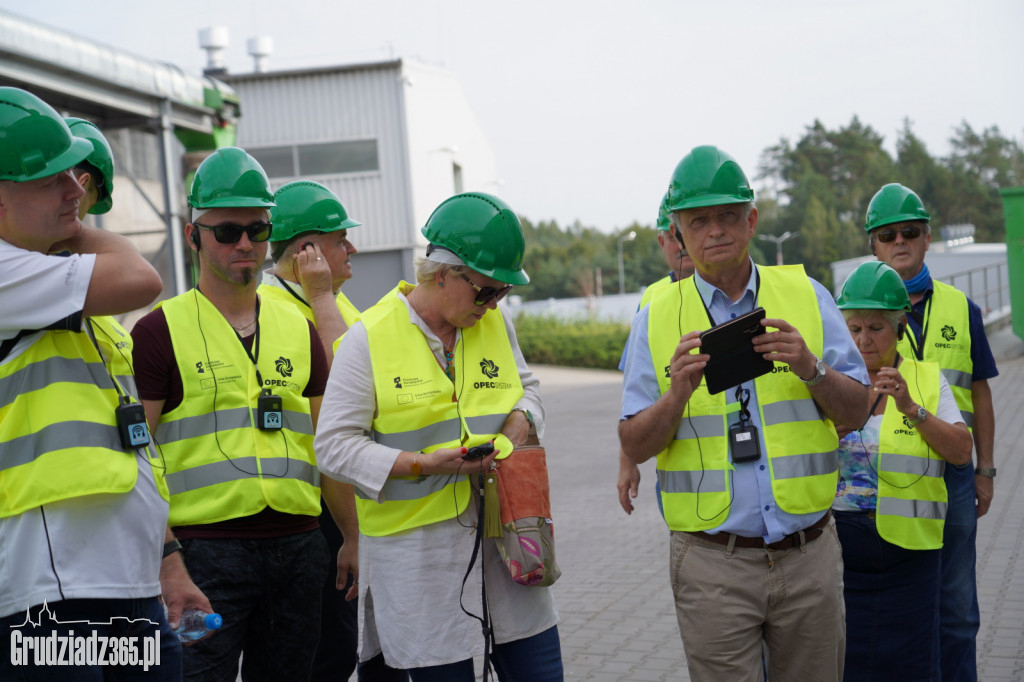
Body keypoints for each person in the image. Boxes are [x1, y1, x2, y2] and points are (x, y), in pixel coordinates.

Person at [619, 145, 870, 680]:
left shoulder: (806, 294)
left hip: (809, 554)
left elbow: (859, 408)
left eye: (728, 216)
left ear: (752, 220)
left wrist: (811, 368)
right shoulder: (655, 317)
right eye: (699, 220)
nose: (715, 231)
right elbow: (634, 444)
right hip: (713, 565)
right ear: (677, 233)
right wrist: (675, 396)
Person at [313, 192, 562, 681]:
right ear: (442, 273)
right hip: (416, 553)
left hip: (505, 533)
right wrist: (424, 464)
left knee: (540, 669)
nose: (494, 304)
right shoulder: (369, 338)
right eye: (486, 292)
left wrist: (519, 422)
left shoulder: (494, 321)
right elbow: (333, 447)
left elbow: (528, 389)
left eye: (503, 293)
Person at [131, 147, 356, 682]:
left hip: (300, 549)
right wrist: (167, 562)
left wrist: (350, 537)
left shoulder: (296, 328)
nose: (244, 244)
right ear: (193, 237)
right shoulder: (159, 332)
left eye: (257, 230)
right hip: (204, 555)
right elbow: (136, 458)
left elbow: (327, 445)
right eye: (226, 231)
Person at [0, 88, 178, 678]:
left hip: (123, 577)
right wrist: (67, 233)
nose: (77, 191)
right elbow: (138, 276)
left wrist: (169, 560)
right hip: (51, 587)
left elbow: (132, 446)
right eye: (52, 179)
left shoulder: (65, 299)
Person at [258, 180, 406, 682]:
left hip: (354, 501)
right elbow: (340, 404)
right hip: (316, 510)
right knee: (332, 650)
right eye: (342, 239)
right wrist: (352, 533)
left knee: (366, 645)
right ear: (307, 249)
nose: (353, 249)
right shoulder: (271, 309)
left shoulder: (334, 304)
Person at [865, 182, 998, 681]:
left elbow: (980, 395)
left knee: (958, 611)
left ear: (927, 239)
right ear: (872, 245)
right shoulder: (858, 314)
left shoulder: (962, 310)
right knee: (901, 605)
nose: (899, 241)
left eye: (910, 232)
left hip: (953, 476)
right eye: (887, 235)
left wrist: (985, 470)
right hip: (889, 477)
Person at [833, 261, 973, 680]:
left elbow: (962, 451)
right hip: (842, 556)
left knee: (912, 667)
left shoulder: (927, 380)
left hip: (911, 557)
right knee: (846, 666)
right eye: (854, 327)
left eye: (875, 327)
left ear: (899, 327)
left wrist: (913, 409)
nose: (863, 339)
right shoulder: (831, 382)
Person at [617, 193, 695, 515]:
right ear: (662, 241)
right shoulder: (651, 300)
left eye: (686, 235)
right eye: (673, 237)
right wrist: (627, 461)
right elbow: (632, 394)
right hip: (675, 458)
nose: (682, 246)